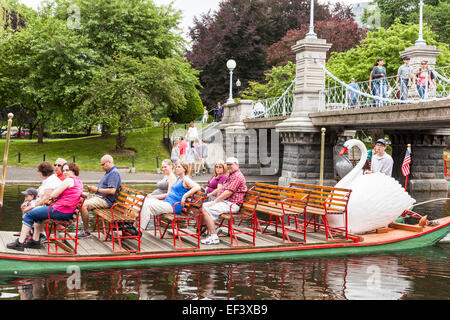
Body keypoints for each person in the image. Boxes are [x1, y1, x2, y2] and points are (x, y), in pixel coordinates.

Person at [7, 162, 84, 251]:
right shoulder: (79, 181)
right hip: (66, 211)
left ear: (74, 170)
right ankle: (35, 242)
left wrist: (55, 194)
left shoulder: (68, 180)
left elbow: (53, 194)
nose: (65, 172)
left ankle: (19, 243)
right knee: (38, 215)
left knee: (29, 214)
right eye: (64, 170)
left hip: (60, 210)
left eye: (67, 170)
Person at [132, 161, 201, 234]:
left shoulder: (185, 179)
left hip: (173, 205)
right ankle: (133, 225)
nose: (176, 168)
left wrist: (185, 196)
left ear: (184, 169)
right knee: (144, 201)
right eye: (176, 167)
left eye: (179, 167)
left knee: (147, 205)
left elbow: (197, 187)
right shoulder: (178, 179)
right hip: (167, 202)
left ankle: (139, 231)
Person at [201, 157, 247, 245]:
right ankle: (214, 230)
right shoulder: (232, 175)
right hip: (226, 202)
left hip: (232, 204)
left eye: (231, 164)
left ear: (236, 165)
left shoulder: (237, 176)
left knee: (206, 209)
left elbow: (228, 192)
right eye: (228, 164)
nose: (229, 166)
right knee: (203, 206)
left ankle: (214, 237)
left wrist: (215, 201)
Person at [78, 154, 122, 238]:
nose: (101, 167)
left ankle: (86, 231)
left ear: (109, 162)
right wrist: (92, 189)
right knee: (78, 196)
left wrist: (96, 189)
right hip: (99, 197)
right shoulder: (109, 172)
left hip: (105, 200)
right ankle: (68, 222)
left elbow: (112, 191)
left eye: (103, 164)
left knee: (84, 205)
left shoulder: (114, 173)